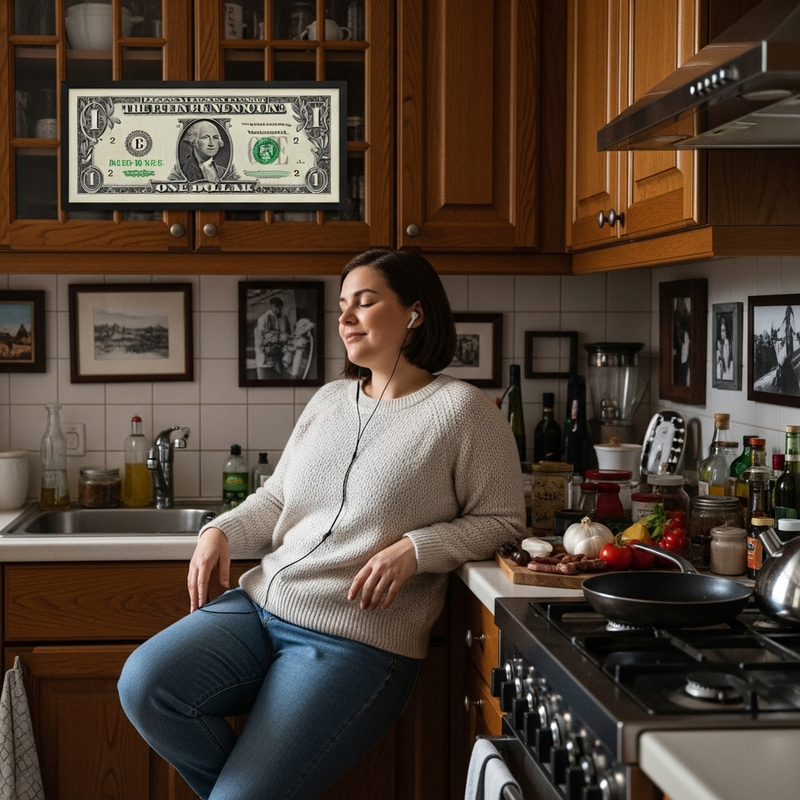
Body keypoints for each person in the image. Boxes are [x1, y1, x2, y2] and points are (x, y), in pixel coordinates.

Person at [117, 249, 525, 800]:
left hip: (353, 643)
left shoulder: (465, 411)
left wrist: (417, 547)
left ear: (415, 314)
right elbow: (278, 497)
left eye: (365, 301)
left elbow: (503, 522)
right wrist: (220, 530)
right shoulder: (331, 399)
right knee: (146, 685)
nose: (346, 318)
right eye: (341, 306)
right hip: (261, 609)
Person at [169, 119, 240, 183]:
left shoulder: (224, 172)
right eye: (205, 137)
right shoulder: (182, 172)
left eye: (215, 137)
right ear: (193, 141)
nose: (212, 143)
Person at [254, 296, 293, 378]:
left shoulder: (284, 319)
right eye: (275, 306)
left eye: (280, 306)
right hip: (265, 358)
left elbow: (287, 335)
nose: (278, 309)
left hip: (279, 358)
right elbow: (263, 337)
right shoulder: (264, 318)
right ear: (271, 306)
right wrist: (280, 337)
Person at [715, 315, 733, 382]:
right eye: (722, 331)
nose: (723, 333)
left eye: (724, 330)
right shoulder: (718, 343)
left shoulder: (728, 343)